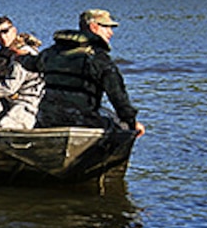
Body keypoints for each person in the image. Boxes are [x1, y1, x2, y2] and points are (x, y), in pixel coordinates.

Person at [20, 8, 145, 136]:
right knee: (122, 125)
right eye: (107, 27)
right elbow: (119, 98)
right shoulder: (99, 59)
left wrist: (19, 53)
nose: (110, 33)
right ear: (94, 27)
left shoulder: (52, 52)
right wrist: (131, 122)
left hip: (47, 121)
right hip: (84, 124)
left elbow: (30, 63)